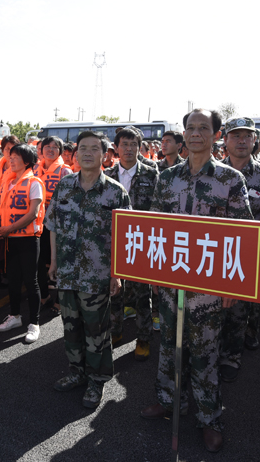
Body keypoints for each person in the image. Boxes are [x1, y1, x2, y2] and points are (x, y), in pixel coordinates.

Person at [140, 108, 252, 454]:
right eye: (191, 127)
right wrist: (154, 274)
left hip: (209, 288)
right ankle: (169, 400)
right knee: (169, 348)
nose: (196, 133)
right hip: (172, 283)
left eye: (204, 128)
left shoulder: (231, 180)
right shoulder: (167, 177)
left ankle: (208, 418)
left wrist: (232, 287)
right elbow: (156, 227)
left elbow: (243, 236)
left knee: (205, 354)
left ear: (216, 135)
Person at [46, 131, 130, 410]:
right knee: (70, 328)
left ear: (105, 155)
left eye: (95, 148)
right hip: (68, 273)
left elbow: (124, 238)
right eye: (83, 148)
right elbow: (53, 227)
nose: (88, 153)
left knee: (97, 332)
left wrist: (117, 274)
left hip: (98, 276)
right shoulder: (64, 186)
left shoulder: (116, 192)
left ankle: (97, 379)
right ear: (75, 153)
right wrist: (54, 262)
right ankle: (77, 371)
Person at [218, 117, 260, 369]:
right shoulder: (213, 172)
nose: (242, 141)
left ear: (255, 140)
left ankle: (231, 359)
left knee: (238, 312)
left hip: (246, 257)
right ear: (225, 140)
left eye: (247, 136)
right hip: (212, 254)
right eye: (236, 136)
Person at [104, 127, 158, 360]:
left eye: (133, 144)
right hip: (113, 242)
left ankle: (143, 338)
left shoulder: (152, 174)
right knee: (114, 292)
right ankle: (115, 332)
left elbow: (159, 210)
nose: (128, 149)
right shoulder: (106, 175)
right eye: (124, 144)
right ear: (116, 148)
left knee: (141, 294)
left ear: (140, 147)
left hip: (141, 243)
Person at [0, 144, 45, 344]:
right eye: (10, 156)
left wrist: (8, 229)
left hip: (28, 239)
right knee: (13, 280)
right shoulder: (9, 182)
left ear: (27, 161)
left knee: (31, 282)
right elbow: (1, 210)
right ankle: (15, 316)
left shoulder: (34, 183)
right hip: (10, 240)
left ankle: (35, 323)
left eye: (16, 157)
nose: (11, 160)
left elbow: (32, 214)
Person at [35, 136, 72, 314]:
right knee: (39, 261)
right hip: (37, 224)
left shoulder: (65, 171)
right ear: (41, 150)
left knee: (57, 262)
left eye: (54, 147)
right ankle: (45, 296)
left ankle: (59, 301)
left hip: (57, 225)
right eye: (46, 147)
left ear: (61, 151)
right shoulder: (35, 169)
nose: (50, 150)